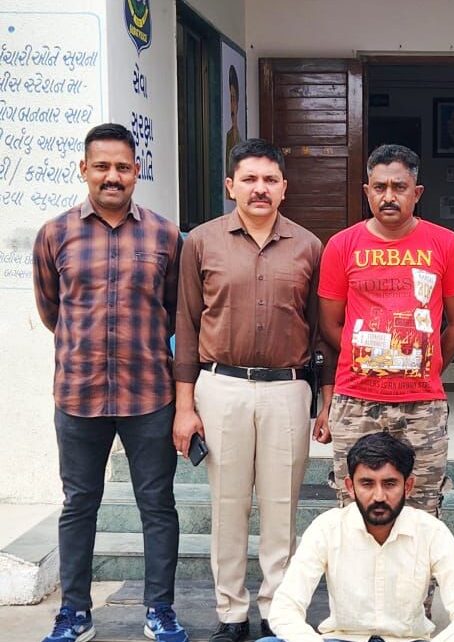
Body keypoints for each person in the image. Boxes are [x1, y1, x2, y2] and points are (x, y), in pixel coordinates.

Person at [173, 138, 334, 642]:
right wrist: (184, 407)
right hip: (221, 387)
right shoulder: (201, 242)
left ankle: (277, 612)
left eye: (269, 180)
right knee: (228, 505)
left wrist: (326, 398)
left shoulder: (309, 246)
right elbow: (186, 323)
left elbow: (321, 331)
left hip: (288, 389)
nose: (259, 188)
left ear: (284, 187)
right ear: (230, 186)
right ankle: (231, 613)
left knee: (282, 506)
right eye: (249, 179)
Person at [32, 123, 187, 642]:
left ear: (137, 171)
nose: (112, 176)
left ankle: (160, 609)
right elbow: (52, 310)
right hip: (79, 393)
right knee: (79, 504)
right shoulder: (54, 234)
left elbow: (174, 310)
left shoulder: (166, 235)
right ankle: (74, 612)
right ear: (84, 169)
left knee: (157, 505)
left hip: (150, 395)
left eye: (122, 166)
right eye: (101, 166)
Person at [318, 144, 454, 517]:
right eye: (380, 187)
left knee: (422, 509)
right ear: (367, 191)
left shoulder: (445, 243)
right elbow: (330, 324)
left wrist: (426, 363)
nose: (389, 196)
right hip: (356, 401)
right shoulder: (342, 246)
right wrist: (370, 358)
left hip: (422, 404)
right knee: (354, 510)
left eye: (399, 187)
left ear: (416, 193)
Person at [257, 431, 454, 642]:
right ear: (350, 486)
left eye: (389, 484)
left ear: (407, 486)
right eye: (367, 484)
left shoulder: (431, 532)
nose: (379, 496)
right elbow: (284, 609)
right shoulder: (327, 528)